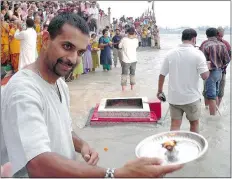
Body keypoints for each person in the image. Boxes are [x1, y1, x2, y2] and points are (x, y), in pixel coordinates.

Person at [1, 12, 183, 178]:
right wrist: (114, 174)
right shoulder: (23, 91)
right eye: (67, 46)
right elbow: (38, 164)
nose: (72, 58)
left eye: (80, 52)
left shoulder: (60, 84)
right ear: (46, 39)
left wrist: (82, 145)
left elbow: (62, 128)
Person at [157, 29, 209, 133]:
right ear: (194, 39)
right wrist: (208, 67)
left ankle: (172, 147)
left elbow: (162, 74)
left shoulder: (170, 53)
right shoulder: (198, 54)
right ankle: (194, 146)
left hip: (174, 98)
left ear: (182, 38)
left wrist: (159, 91)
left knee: (175, 124)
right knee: (194, 124)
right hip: (192, 98)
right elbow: (205, 76)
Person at [200, 28, 230, 115]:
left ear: (206, 35)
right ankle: (216, 116)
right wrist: (221, 66)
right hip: (220, 72)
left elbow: (201, 61)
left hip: (210, 73)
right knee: (216, 93)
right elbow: (227, 60)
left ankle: (212, 118)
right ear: (216, 34)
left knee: (211, 96)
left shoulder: (205, 45)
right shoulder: (223, 45)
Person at [216, 26, 231, 107]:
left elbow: (230, 57)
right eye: (218, 35)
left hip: (223, 71)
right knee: (208, 92)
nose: (220, 37)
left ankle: (217, 107)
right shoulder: (207, 43)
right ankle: (208, 109)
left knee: (220, 92)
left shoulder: (226, 44)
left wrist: (224, 65)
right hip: (210, 72)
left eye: (221, 36)